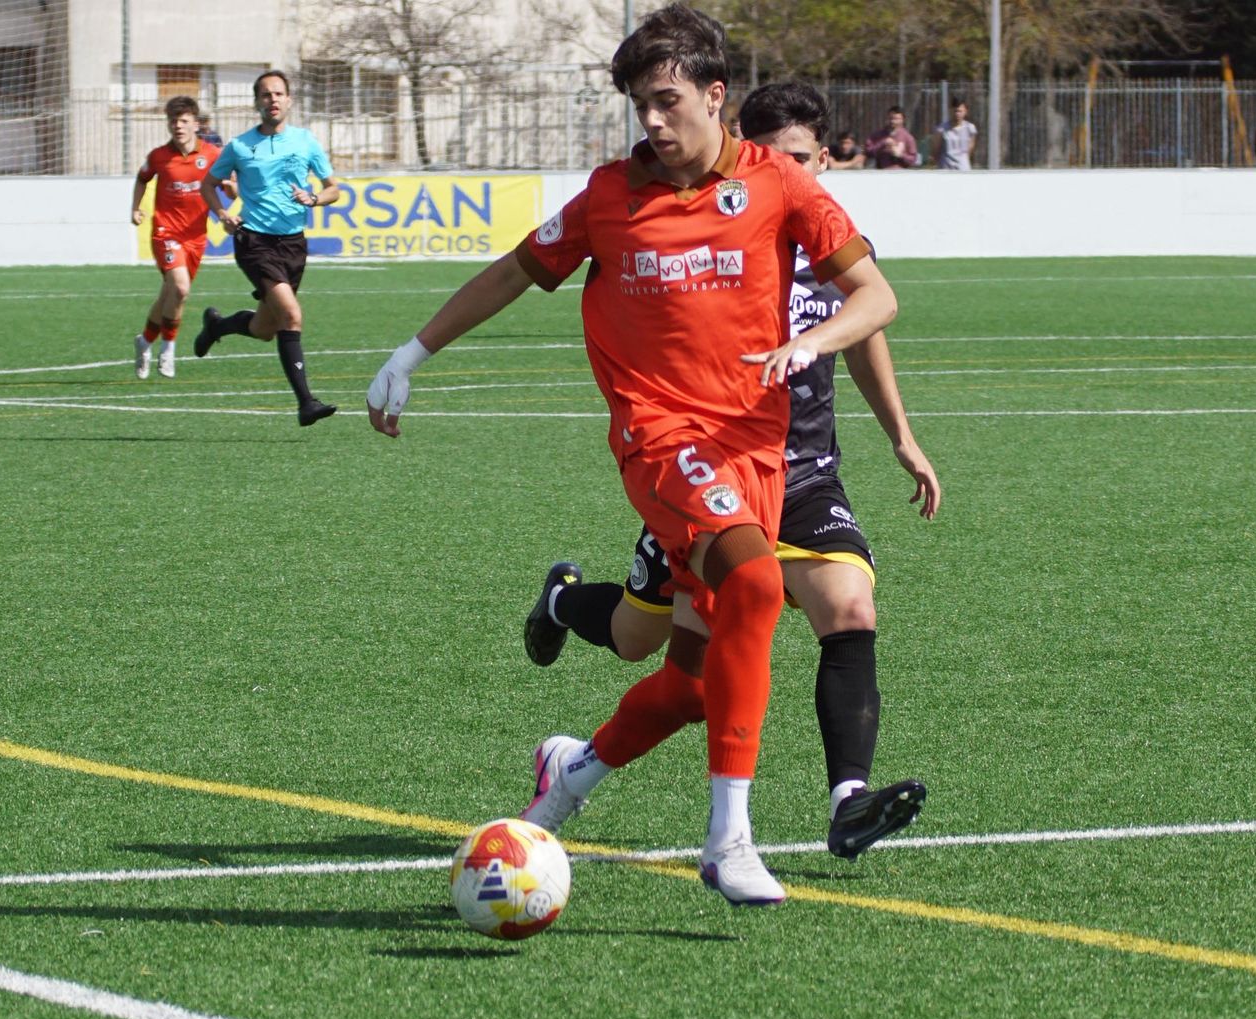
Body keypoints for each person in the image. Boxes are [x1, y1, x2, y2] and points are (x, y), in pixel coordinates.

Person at [366, 4, 897, 905]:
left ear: (715, 96)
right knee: (760, 586)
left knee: (693, 683)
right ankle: (729, 840)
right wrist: (411, 353)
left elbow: (875, 295)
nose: (651, 122)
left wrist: (814, 343)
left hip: (756, 450)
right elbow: (511, 272)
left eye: (666, 101)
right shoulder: (610, 198)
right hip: (661, 439)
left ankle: (569, 776)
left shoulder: (777, 184)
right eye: (639, 106)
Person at [524, 82, 937, 862]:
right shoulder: (719, 240)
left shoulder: (830, 250)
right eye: (774, 158)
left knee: (850, 610)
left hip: (805, 477)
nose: (787, 172)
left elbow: (867, 332)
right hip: (707, 475)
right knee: (638, 642)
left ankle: (848, 800)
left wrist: (901, 437)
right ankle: (563, 601)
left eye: (802, 159)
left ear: (823, 162)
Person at [194, 70, 341, 427]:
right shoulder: (241, 146)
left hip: (293, 243)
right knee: (291, 316)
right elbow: (209, 184)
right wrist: (223, 214)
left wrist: (315, 198)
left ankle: (218, 326)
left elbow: (333, 188)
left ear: (288, 100)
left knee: (265, 328)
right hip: (254, 240)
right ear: (256, 102)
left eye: (278, 94)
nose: (272, 100)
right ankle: (306, 402)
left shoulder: (305, 142)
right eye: (265, 95)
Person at [129, 96, 224, 380]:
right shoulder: (159, 156)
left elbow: (226, 179)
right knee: (180, 289)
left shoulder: (212, 154)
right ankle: (168, 349)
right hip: (165, 233)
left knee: (170, 293)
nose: (178, 126)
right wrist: (135, 207)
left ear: (196, 124)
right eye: (173, 121)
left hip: (196, 237)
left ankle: (145, 340)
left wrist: (230, 188)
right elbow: (142, 178)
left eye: (184, 121)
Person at [934, 99, 977, 171]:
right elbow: (936, 149)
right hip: (946, 168)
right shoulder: (941, 129)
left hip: (963, 168)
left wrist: (963, 160)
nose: (957, 113)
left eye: (960, 111)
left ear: (965, 112)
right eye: (955, 111)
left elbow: (970, 149)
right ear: (950, 111)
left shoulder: (970, 128)